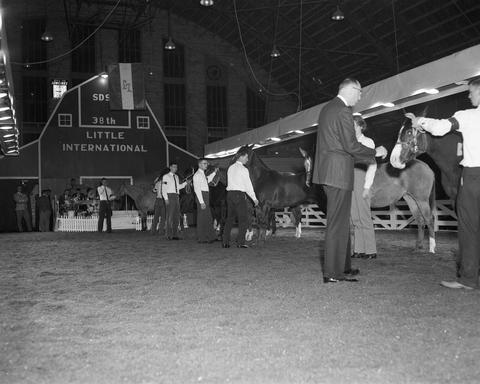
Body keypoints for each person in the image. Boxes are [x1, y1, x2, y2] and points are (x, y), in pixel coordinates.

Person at [312, 78, 387, 283]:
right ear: (350, 89)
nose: (360, 96)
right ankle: (332, 273)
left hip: (331, 173)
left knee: (342, 223)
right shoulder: (343, 110)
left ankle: (343, 267)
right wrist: (375, 152)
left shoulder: (328, 108)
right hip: (338, 174)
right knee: (337, 224)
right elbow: (351, 146)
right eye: (359, 91)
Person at [408, 78, 480, 290]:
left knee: (469, 228)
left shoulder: (467, 116)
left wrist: (420, 121)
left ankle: (468, 279)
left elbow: (439, 128)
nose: (469, 96)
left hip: (474, 176)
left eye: (471, 92)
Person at [351, 115, 378, 259]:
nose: (352, 128)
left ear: (361, 126)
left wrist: (367, 186)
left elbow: (372, 165)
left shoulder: (368, 142)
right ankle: (359, 249)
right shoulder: (349, 142)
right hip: (350, 179)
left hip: (362, 178)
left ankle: (371, 250)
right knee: (355, 217)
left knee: (364, 216)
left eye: (354, 125)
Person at [222, 147, 259, 248]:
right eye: (246, 157)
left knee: (229, 219)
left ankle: (225, 242)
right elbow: (248, 185)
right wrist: (254, 198)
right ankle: (240, 242)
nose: (247, 159)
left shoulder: (230, 168)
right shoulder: (243, 169)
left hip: (229, 195)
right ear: (241, 157)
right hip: (239, 195)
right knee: (243, 220)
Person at [193, 158, 218, 243]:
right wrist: (201, 202)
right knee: (202, 218)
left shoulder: (202, 174)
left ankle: (211, 236)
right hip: (202, 197)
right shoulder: (197, 175)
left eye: (206, 163)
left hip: (205, 196)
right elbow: (197, 189)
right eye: (204, 163)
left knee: (208, 217)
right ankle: (202, 238)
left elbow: (207, 180)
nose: (206, 165)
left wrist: (214, 172)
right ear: (199, 164)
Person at [162, 163, 187, 240]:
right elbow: (164, 188)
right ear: (170, 167)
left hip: (176, 196)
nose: (175, 168)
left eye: (176, 167)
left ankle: (175, 235)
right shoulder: (166, 176)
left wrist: (186, 183)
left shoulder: (176, 177)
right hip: (170, 196)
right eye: (174, 167)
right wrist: (166, 198)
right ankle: (168, 235)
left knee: (176, 216)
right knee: (169, 216)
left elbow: (178, 187)